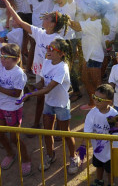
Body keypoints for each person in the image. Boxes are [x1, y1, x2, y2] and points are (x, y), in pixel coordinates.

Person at [2, 0, 69, 130]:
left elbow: (63, 60)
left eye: (46, 18)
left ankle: (57, 128)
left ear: (52, 24)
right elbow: (20, 22)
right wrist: (9, 7)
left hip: (53, 74)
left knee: (54, 100)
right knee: (42, 100)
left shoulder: (58, 40)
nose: (43, 19)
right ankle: (38, 124)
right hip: (41, 72)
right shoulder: (40, 33)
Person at [23, 39, 81, 175]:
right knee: (47, 131)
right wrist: (30, 84)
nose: (48, 50)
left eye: (52, 49)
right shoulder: (47, 61)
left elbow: (48, 89)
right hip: (49, 103)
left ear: (61, 54)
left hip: (61, 104)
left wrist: (30, 94)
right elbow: (43, 82)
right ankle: (50, 155)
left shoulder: (62, 67)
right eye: (48, 47)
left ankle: (73, 157)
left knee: (65, 132)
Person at [0, 43, 31, 176]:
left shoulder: (19, 73)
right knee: (0, 134)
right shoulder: (0, 67)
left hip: (13, 109)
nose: (2, 59)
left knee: (15, 139)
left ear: (16, 59)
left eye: (6, 56)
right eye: (1, 56)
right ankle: (10, 154)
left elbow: (17, 93)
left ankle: (25, 160)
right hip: (0, 106)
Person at [82, 84, 118, 186]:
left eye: (100, 99)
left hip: (111, 149)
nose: (96, 101)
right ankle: (99, 180)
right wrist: (83, 146)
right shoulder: (92, 114)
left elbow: (117, 131)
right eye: (94, 97)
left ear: (109, 102)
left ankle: (111, 184)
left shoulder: (113, 114)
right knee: (98, 165)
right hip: (98, 148)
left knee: (110, 169)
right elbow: (87, 132)